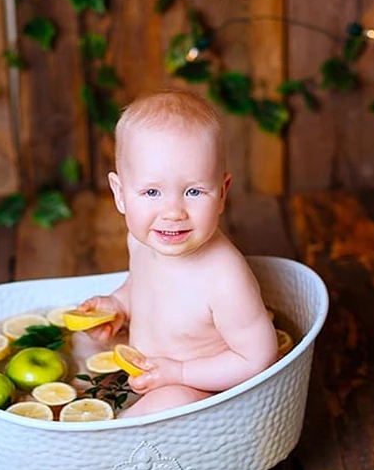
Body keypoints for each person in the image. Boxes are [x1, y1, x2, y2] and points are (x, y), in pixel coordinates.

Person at [78, 90, 278, 417]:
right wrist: (118, 305)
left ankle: (104, 444)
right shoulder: (141, 240)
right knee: (83, 343)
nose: (173, 212)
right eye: (152, 192)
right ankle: (71, 411)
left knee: (175, 402)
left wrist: (180, 373)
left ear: (223, 193)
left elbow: (258, 358)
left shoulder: (224, 277)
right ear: (120, 194)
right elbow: (142, 286)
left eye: (194, 191)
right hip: (146, 366)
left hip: (201, 388)